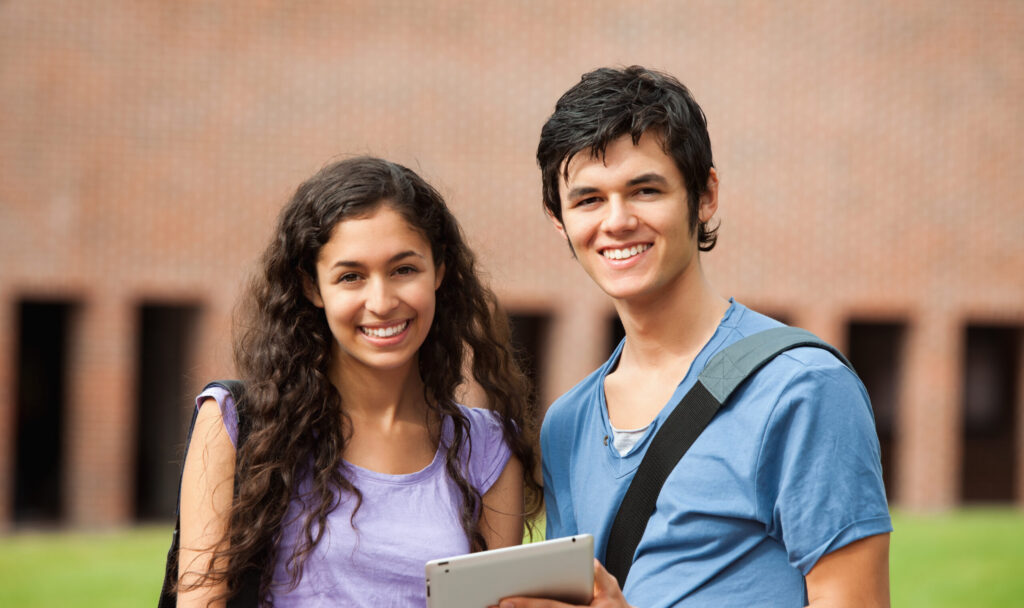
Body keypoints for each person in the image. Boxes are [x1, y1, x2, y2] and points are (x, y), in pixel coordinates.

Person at [500, 66, 892, 607]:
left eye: (645, 190)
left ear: (704, 195)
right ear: (558, 220)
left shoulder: (802, 389)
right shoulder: (566, 424)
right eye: (589, 200)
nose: (617, 221)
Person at [176, 156, 542, 606]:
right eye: (351, 277)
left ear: (439, 271)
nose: (381, 302)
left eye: (403, 270)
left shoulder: (488, 448)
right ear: (312, 287)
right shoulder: (239, 424)